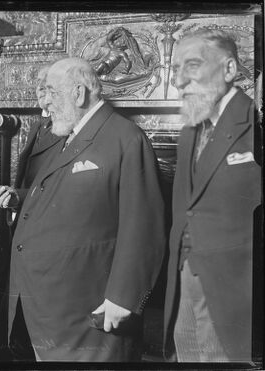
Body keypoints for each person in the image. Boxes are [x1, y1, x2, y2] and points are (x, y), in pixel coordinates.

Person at [7, 57, 166, 361]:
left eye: (52, 93)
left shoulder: (125, 138)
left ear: (78, 93)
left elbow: (145, 227)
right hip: (53, 306)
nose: (46, 104)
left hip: (89, 309)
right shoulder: (67, 137)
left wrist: (125, 299)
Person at [163, 29, 261, 362]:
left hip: (237, 294)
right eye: (176, 69)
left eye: (192, 65)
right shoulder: (190, 130)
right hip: (185, 281)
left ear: (230, 70)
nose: (178, 80)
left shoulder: (255, 122)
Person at [0, 66, 62, 361]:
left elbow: (57, 188)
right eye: (40, 90)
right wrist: (14, 197)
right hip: (26, 230)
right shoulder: (40, 127)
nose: (42, 98)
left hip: (48, 236)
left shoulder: (69, 130)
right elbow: (31, 178)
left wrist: (20, 197)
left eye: (49, 90)